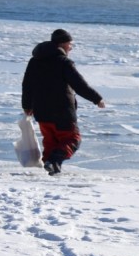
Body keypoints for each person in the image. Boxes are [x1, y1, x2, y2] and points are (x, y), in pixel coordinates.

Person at [21, 28, 106, 175]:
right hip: (62, 111)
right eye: (70, 44)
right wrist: (97, 99)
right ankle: (53, 162)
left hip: (41, 111)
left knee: (51, 141)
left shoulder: (35, 61)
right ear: (62, 44)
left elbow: (27, 85)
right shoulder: (63, 62)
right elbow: (79, 85)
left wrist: (27, 106)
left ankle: (52, 169)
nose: (71, 48)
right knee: (73, 139)